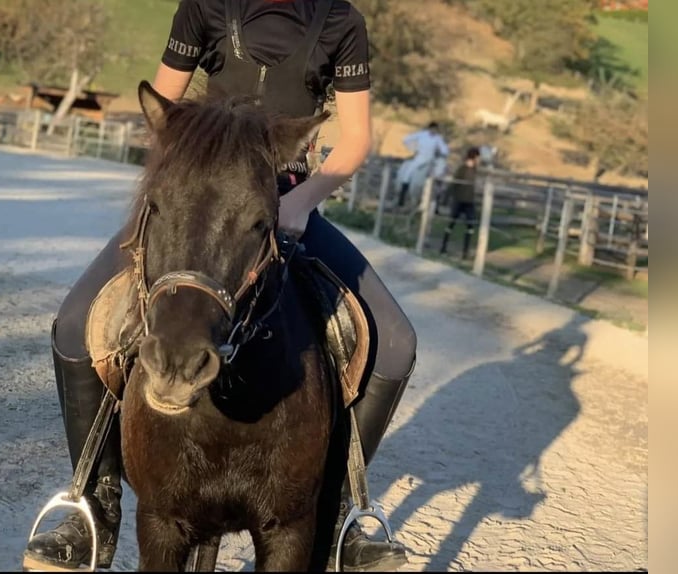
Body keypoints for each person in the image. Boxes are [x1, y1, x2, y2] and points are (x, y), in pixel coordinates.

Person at [24, 0, 418, 571]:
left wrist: (298, 203)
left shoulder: (341, 21)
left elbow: (355, 139)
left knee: (396, 343)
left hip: (282, 203)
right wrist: (184, 183)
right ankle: (94, 505)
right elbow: (162, 111)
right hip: (192, 202)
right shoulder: (203, 7)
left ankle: (338, 517)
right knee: (73, 325)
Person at [439, 146, 481, 259]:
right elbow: (454, 183)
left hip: (469, 201)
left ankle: (465, 252)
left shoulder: (475, 170)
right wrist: (447, 197)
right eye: (478, 157)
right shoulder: (462, 169)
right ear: (474, 157)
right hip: (459, 200)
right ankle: (443, 248)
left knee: (470, 226)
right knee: (451, 224)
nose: (479, 160)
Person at [395, 120, 449, 208]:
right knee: (408, 173)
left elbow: (445, 149)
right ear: (429, 129)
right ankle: (402, 195)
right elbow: (406, 139)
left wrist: (441, 152)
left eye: (435, 130)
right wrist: (413, 148)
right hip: (420, 157)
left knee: (440, 171)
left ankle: (437, 198)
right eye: (432, 129)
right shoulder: (421, 134)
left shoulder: (438, 138)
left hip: (431, 159)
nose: (434, 131)